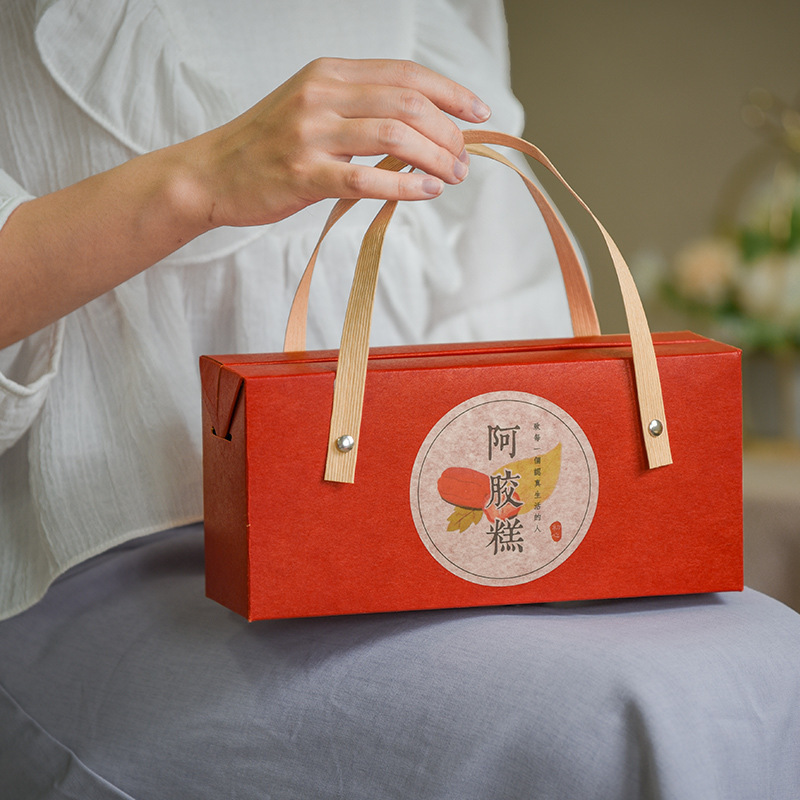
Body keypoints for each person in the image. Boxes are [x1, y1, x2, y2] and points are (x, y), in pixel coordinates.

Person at [2, 2, 799, 798]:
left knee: (768, 653)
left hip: (408, 548)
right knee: (630, 710)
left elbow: (504, 322)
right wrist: (197, 180)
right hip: (99, 558)